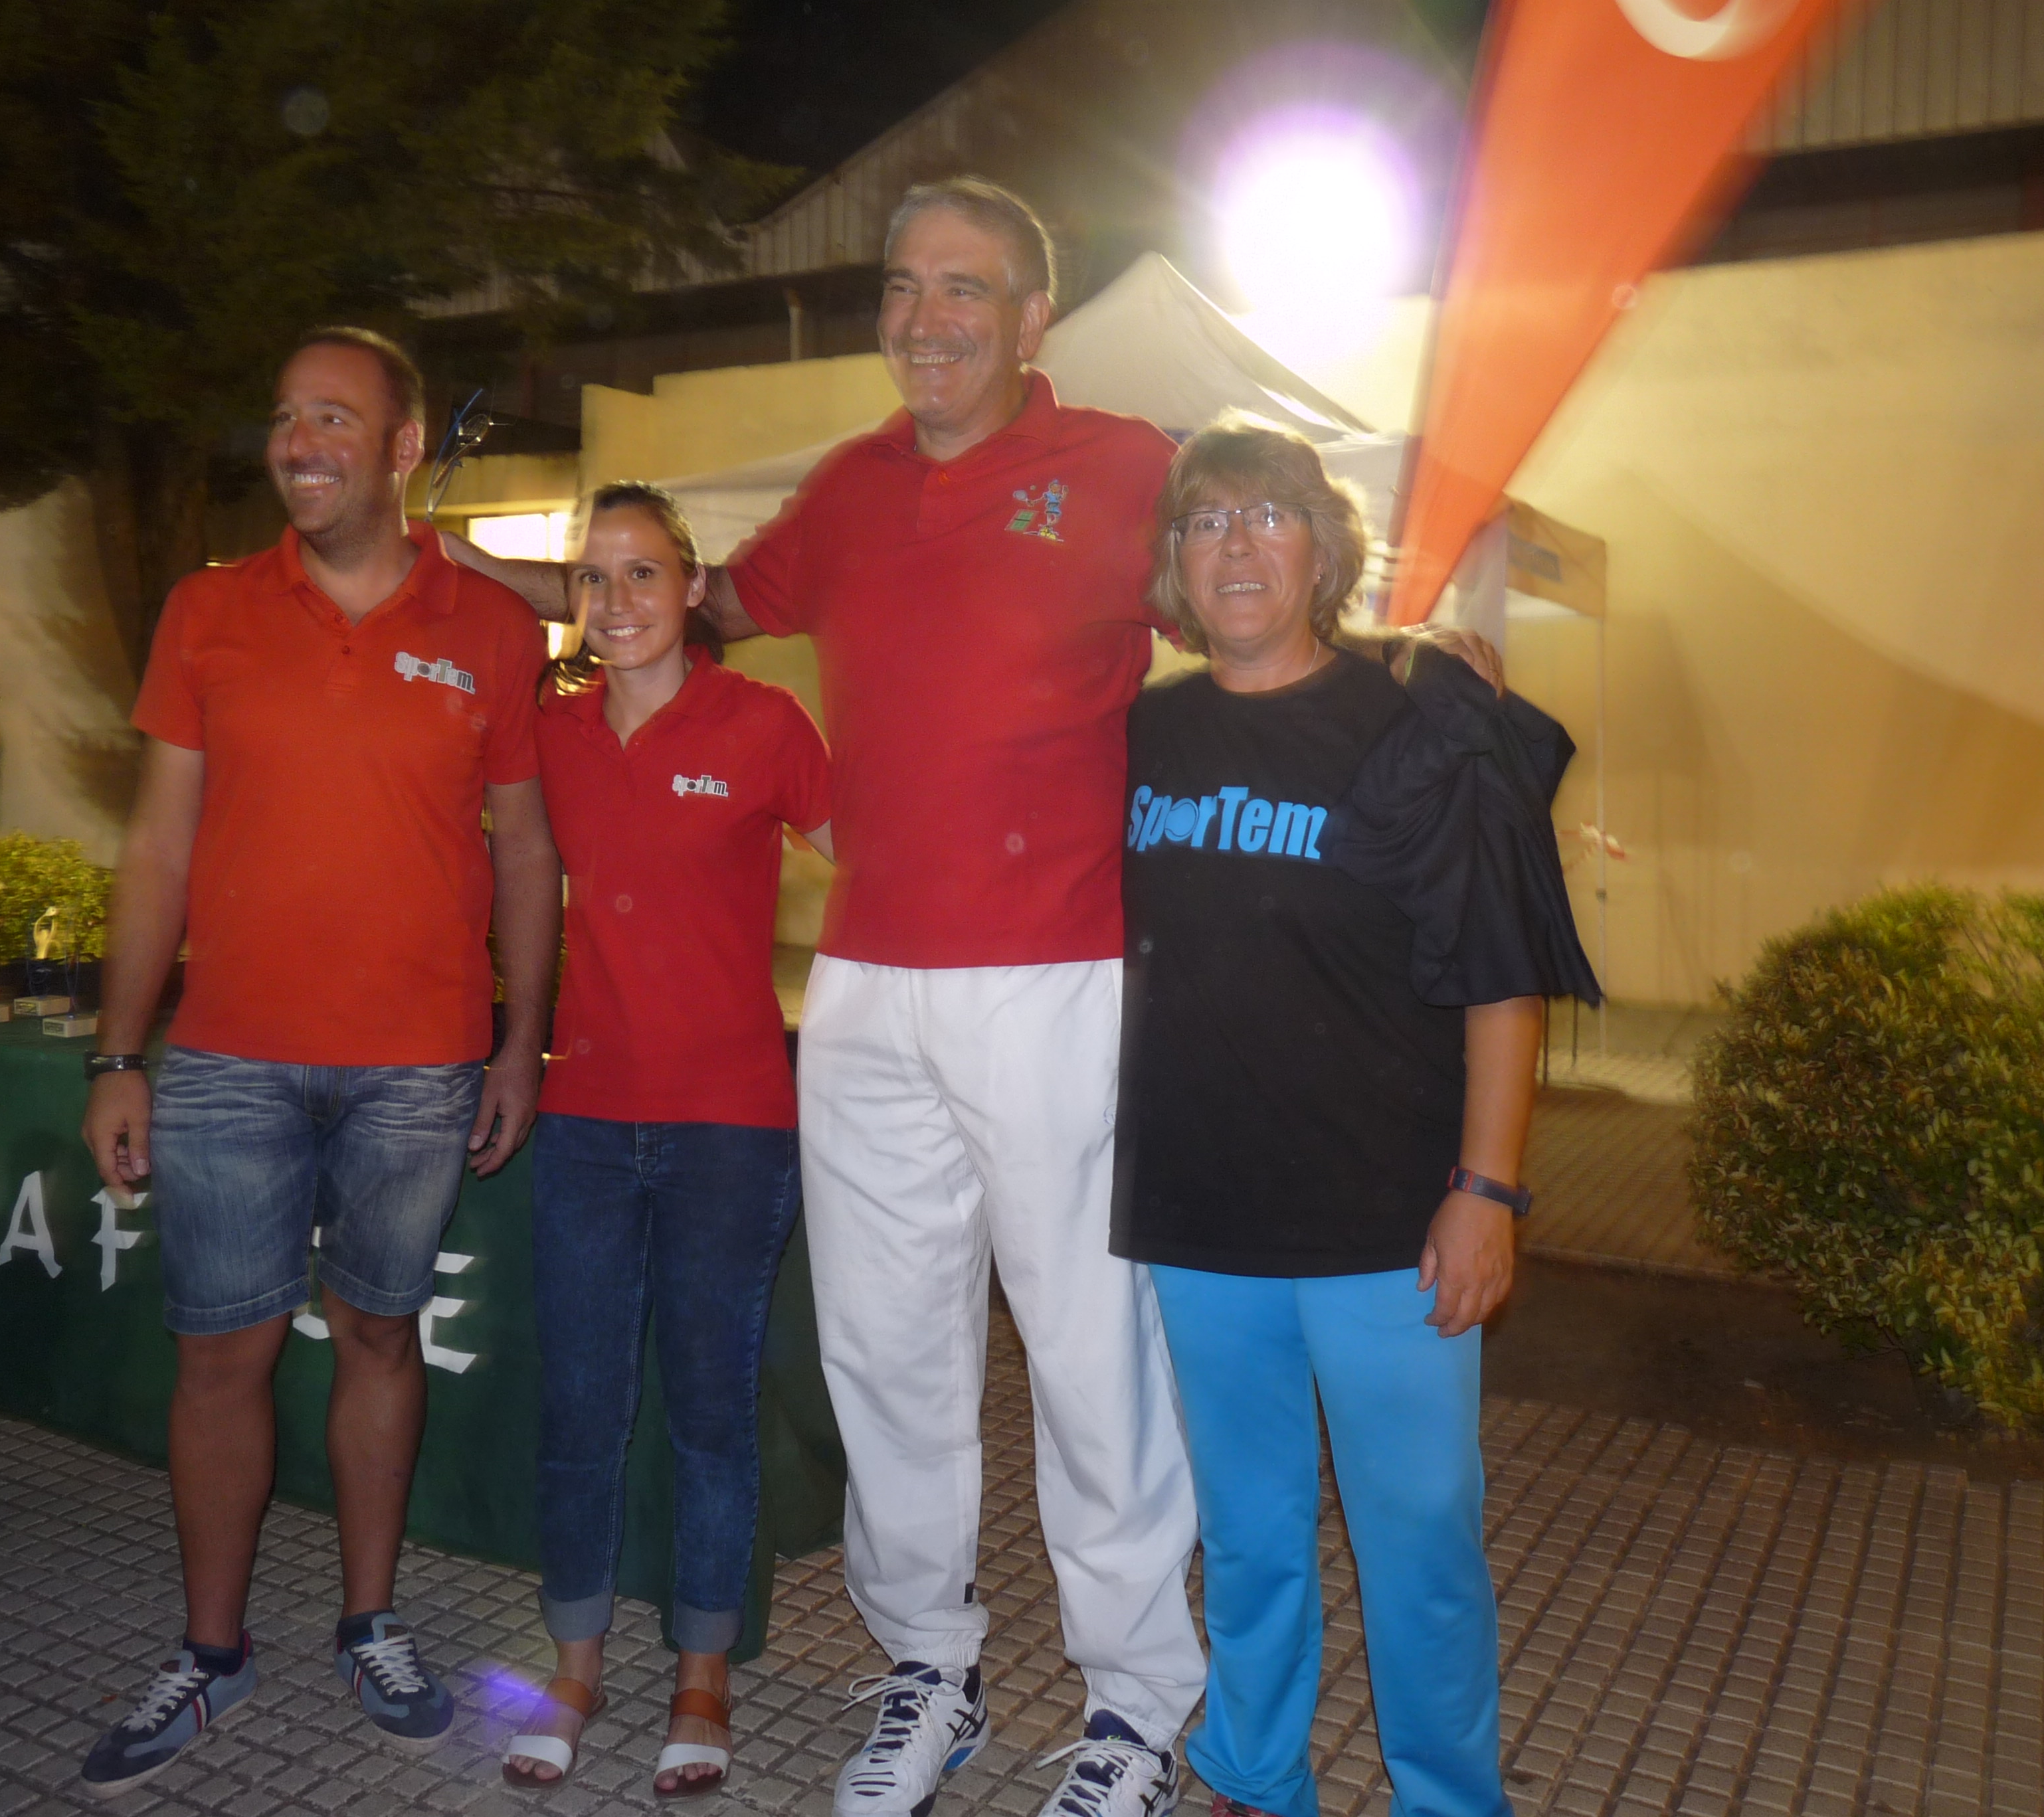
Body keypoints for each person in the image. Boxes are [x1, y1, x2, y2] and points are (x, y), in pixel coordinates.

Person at [452, 176, 1210, 1817]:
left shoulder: (1123, 467)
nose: (924, 316)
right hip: (866, 987)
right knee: (886, 1356)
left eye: (964, 287)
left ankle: (1138, 1705)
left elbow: (1242, 604)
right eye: (903, 284)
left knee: (1088, 1357)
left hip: (1054, 974)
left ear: (1032, 318)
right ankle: (930, 1663)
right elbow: (692, 605)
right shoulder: (852, 487)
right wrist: (495, 588)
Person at [76, 325, 559, 1800]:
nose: (300, 442)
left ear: (405, 448)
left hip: (418, 1063)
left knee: (377, 1339)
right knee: (218, 1355)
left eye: (336, 418)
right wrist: (118, 1051)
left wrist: (520, 1040)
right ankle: (209, 1652)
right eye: (288, 416)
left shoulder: (493, 628)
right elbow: (157, 846)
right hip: (228, 1059)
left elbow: (525, 849)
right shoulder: (208, 610)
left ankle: (370, 1625)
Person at [1115, 418, 1598, 1817]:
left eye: (1267, 514)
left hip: (1390, 1224)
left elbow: (1501, 975)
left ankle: (1448, 1797)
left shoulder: (1412, 728)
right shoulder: (1145, 732)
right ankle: (1254, 1773)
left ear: (1323, 550)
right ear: (1174, 565)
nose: (1236, 544)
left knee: (1420, 1543)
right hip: (1202, 1217)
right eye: (1206, 521)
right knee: (1247, 1535)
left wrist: (1487, 1190)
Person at [499, 481, 834, 1797]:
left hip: (729, 1127)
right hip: (586, 1121)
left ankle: (703, 1677)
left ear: (694, 590)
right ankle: (574, 1669)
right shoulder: (554, 730)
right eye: (594, 577)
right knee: (580, 1407)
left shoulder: (763, 725)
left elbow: (877, 864)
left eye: (644, 572)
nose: (618, 598)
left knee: (708, 1412)